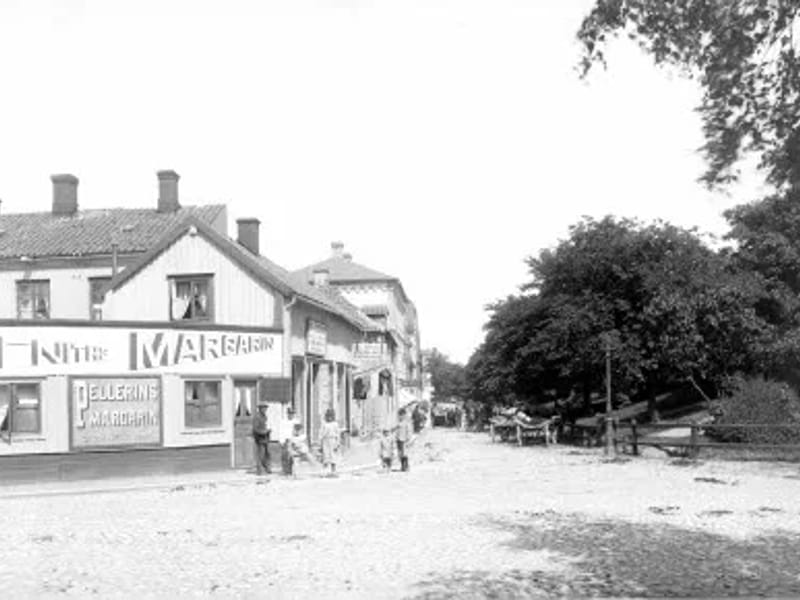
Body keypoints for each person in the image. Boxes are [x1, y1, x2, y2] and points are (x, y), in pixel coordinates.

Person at [319, 407, 341, 477]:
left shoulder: (335, 424)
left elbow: (338, 434)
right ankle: (324, 471)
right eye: (328, 416)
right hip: (326, 441)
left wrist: (337, 443)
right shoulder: (324, 424)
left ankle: (333, 471)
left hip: (333, 440)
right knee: (326, 455)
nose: (329, 418)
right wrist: (320, 442)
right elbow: (321, 434)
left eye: (331, 416)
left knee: (333, 456)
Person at [252, 404, 271, 475]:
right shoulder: (257, 417)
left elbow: (266, 425)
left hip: (265, 437)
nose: (265, 410)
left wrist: (268, 430)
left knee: (267, 454)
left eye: (266, 408)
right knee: (261, 454)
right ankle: (260, 470)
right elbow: (255, 429)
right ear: (260, 409)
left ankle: (267, 468)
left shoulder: (264, 416)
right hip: (260, 438)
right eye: (264, 408)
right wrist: (264, 432)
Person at [395, 408, 413, 472]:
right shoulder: (399, 422)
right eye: (399, 415)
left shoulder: (406, 422)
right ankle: (402, 466)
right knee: (400, 453)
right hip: (398, 439)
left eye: (400, 415)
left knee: (404, 453)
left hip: (404, 439)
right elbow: (395, 430)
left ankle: (406, 466)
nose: (399, 416)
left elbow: (409, 431)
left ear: (403, 415)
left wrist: (408, 438)